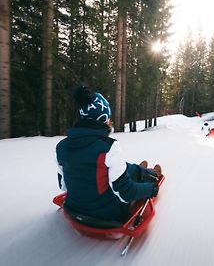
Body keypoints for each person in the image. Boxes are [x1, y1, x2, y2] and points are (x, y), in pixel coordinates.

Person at [56, 85, 162, 223]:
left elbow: (63, 185)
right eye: (108, 118)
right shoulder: (109, 147)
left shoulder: (61, 147)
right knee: (122, 174)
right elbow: (126, 193)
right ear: (103, 118)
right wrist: (152, 190)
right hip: (107, 215)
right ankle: (149, 175)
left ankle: (136, 170)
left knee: (118, 168)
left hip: (73, 208)